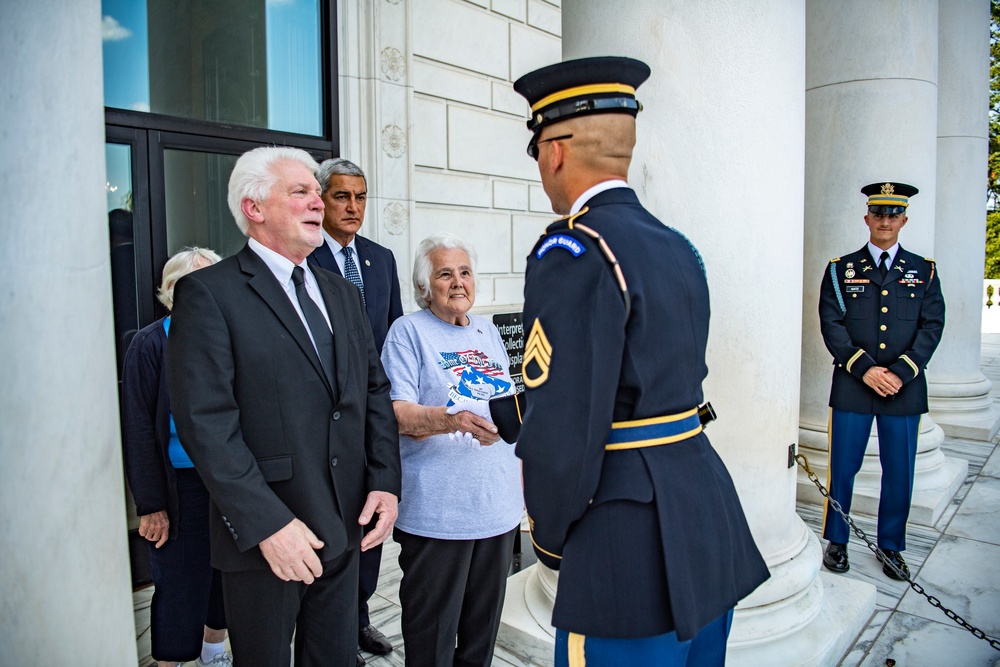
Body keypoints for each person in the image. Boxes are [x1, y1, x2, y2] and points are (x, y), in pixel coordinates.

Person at [511, 56, 770, 666]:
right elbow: (641, 373)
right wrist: (506, 411)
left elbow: (567, 420)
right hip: (703, 507)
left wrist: (549, 537)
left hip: (624, 540)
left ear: (554, 153)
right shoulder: (676, 243)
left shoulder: (571, 248)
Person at [165, 146, 402, 667]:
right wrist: (268, 525)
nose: (318, 201)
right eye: (300, 192)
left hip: (345, 525)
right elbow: (207, 425)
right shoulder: (208, 293)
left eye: (317, 192)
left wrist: (385, 478)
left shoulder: (341, 293)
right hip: (268, 539)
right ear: (254, 208)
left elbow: (373, 392)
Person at [380, 232, 523, 667]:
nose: (458, 282)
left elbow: (503, 404)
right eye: (445, 273)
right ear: (426, 286)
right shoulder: (408, 331)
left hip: (497, 509)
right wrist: (451, 420)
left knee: (481, 636)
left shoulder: (486, 330)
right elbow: (396, 412)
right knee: (432, 639)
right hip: (440, 515)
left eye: (465, 272)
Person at [819, 182, 945, 580]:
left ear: (904, 220)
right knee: (843, 466)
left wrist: (901, 372)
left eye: (893, 215)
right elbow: (831, 324)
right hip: (855, 384)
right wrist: (866, 369)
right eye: (878, 213)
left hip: (903, 389)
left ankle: (891, 546)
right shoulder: (841, 270)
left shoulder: (924, 271)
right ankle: (837, 540)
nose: (885, 221)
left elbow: (932, 326)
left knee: (899, 470)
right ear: (866, 218)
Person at [307, 158, 403, 665]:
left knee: (373, 517)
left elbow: (394, 335)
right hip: (325, 418)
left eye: (361, 197)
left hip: (375, 411)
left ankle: (360, 617)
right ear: (320, 200)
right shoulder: (305, 259)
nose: (353, 207)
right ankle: (333, 627)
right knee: (334, 523)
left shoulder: (380, 259)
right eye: (342, 196)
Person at [121, 247, 232, 667]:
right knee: (179, 584)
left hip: (227, 479)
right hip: (179, 485)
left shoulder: (228, 336)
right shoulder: (149, 344)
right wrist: (151, 506)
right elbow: (137, 431)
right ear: (171, 292)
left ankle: (213, 649)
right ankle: (170, 660)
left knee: (225, 575)